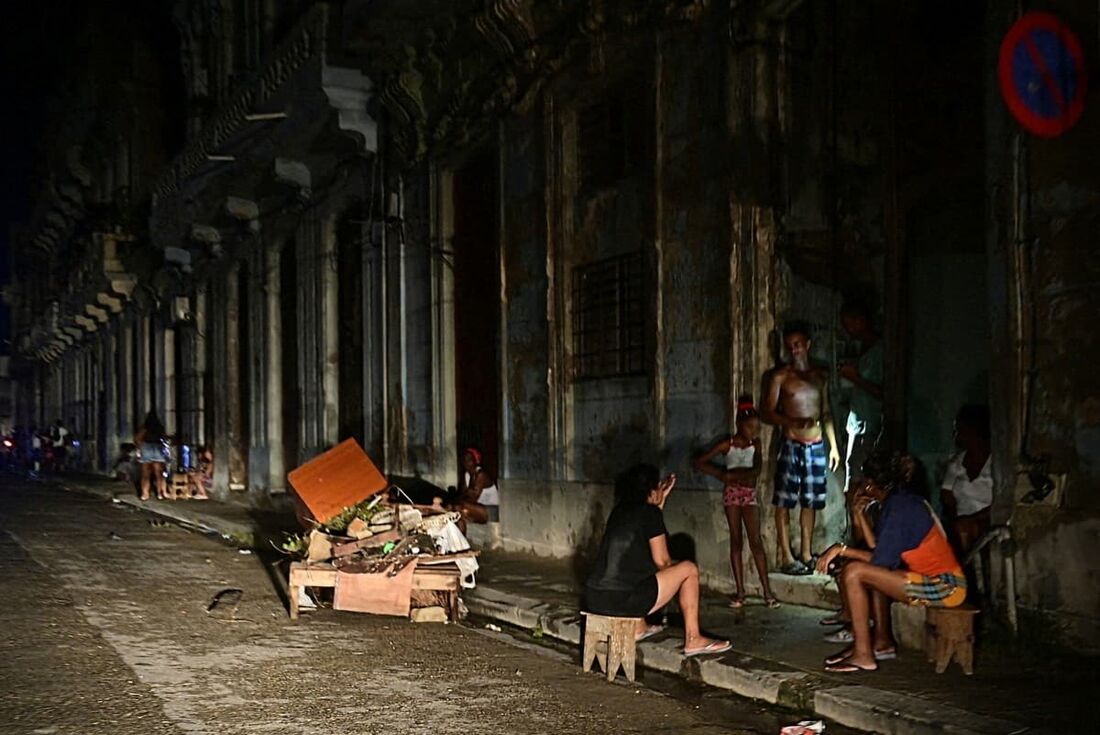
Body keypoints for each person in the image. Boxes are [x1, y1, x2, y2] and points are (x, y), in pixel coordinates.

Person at [815, 451, 966, 673]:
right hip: (931, 581)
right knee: (861, 570)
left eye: (865, 481)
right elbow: (879, 549)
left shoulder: (902, 507)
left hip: (945, 587)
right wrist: (859, 513)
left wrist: (842, 549)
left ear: (872, 484)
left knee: (854, 572)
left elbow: (881, 559)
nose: (862, 486)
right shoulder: (897, 502)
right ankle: (876, 644)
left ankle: (863, 654)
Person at [585, 464, 732, 657]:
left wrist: (658, 505)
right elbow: (662, 561)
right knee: (688, 569)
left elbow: (640, 546)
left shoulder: (619, 511)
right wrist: (679, 580)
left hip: (595, 598)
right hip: (620, 602)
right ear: (652, 491)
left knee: (636, 574)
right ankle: (694, 638)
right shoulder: (649, 513)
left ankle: (639, 628)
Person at [760, 322, 841, 574]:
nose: (794, 350)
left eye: (797, 344)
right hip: (791, 442)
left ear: (807, 344)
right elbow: (766, 412)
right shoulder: (781, 376)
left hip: (815, 444)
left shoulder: (819, 376)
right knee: (784, 500)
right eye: (789, 346)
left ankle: (806, 552)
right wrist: (792, 421)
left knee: (811, 501)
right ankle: (786, 555)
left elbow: (826, 413)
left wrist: (834, 446)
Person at [695, 396, 779, 609]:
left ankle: (767, 591)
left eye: (756, 427)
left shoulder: (756, 444)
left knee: (755, 540)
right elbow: (700, 462)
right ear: (739, 425)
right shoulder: (728, 444)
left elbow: (756, 471)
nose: (754, 431)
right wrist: (723, 474)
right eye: (751, 427)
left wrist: (733, 475)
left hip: (748, 494)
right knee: (735, 540)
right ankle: (740, 592)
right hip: (732, 494)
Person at [838, 300, 884, 501]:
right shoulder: (862, 349)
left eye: (849, 323)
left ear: (862, 321)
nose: (847, 329)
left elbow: (884, 393)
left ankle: (862, 529)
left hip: (870, 425)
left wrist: (855, 377)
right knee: (852, 479)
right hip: (857, 423)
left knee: (860, 484)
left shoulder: (880, 351)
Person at [940, 405, 992, 556]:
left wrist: (972, 520)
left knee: (964, 530)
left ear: (973, 431)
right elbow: (947, 499)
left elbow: (1002, 503)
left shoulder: (996, 463)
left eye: (958, 430)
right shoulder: (956, 463)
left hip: (987, 521)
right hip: (961, 527)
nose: (955, 435)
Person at [453, 447, 499, 533]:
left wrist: (461, 500)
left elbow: (473, 498)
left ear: (476, 461)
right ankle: (461, 541)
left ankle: (462, 539)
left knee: (458, 506)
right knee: (457, 511)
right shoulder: (466, 475)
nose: (467, 463)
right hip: (477, 508)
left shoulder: (481, 475)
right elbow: (462, 494)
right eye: (464, 460)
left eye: (469, 460)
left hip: (490, 510)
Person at [134, 411, 169, 501]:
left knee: (145, 474)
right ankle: (160, 493)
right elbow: (164, 438)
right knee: (159, 474)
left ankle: (145, 494)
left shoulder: (144, 428)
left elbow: (138, 439)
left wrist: (139, 448)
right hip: (157, 448)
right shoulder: (160, 428)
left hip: (146, 448)